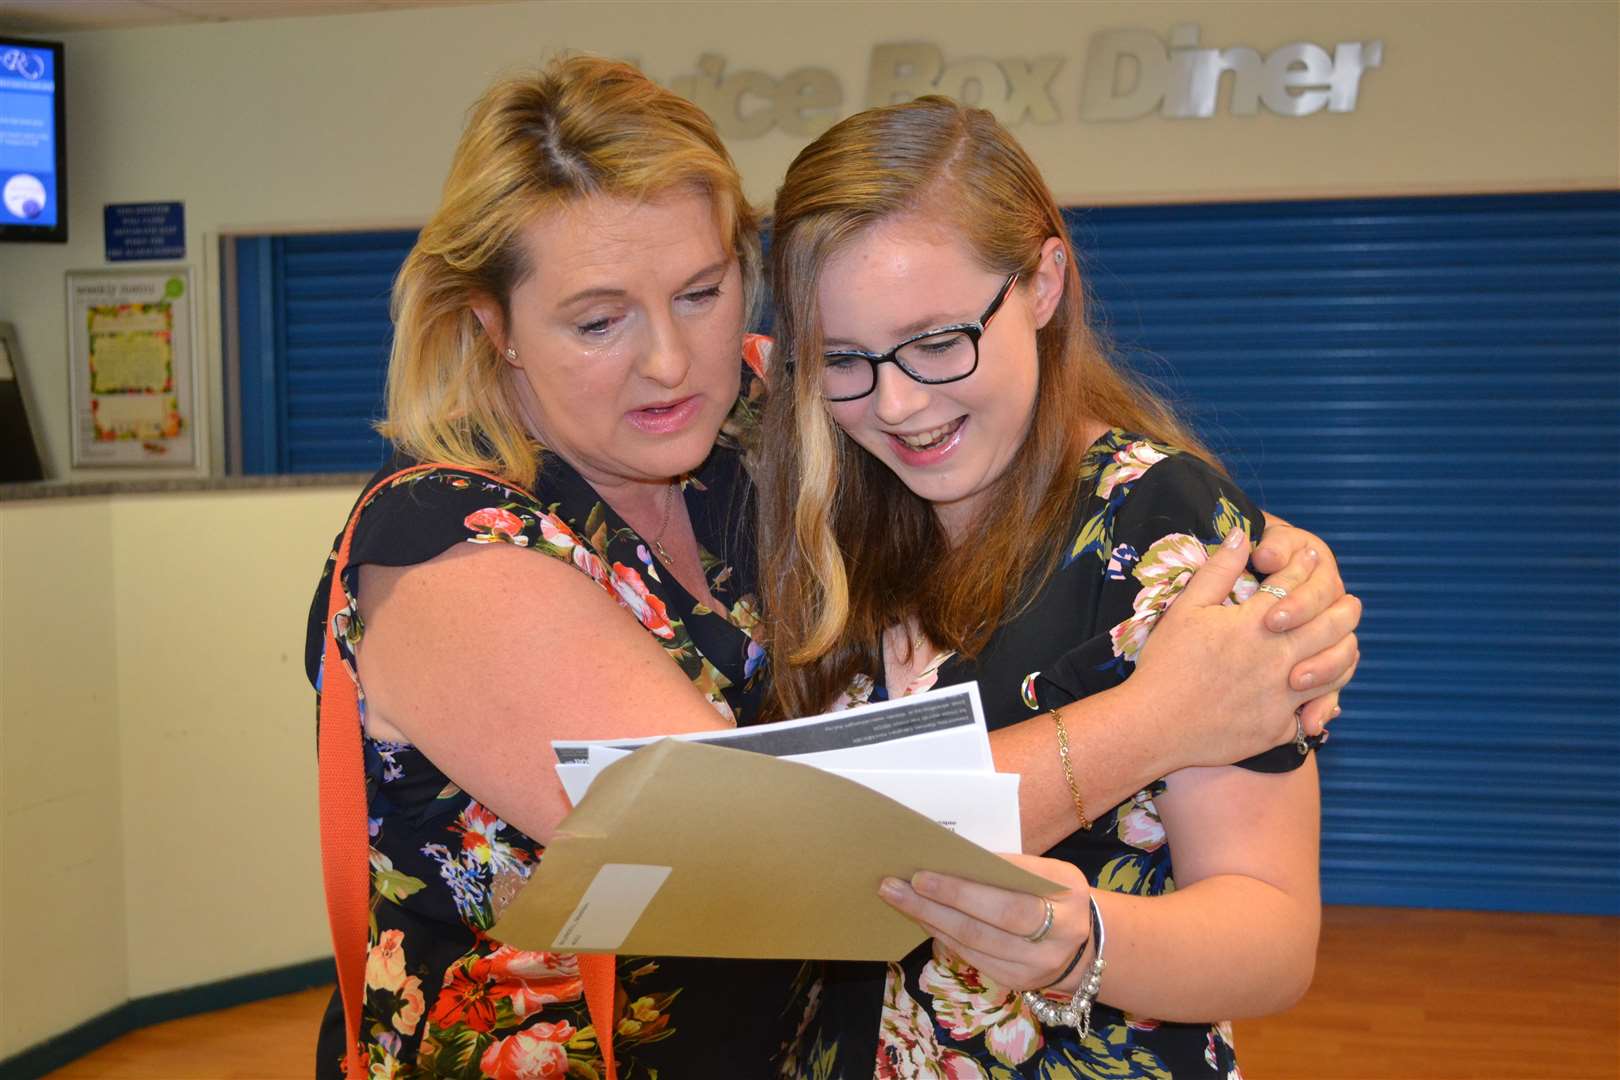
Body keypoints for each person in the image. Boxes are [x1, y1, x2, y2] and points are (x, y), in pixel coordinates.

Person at [304, 59, 1359, 1077]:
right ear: (496, 327)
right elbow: (748, 859)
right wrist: (1163, 716)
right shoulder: (447, 548)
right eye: (598, 320)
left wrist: (1245, 543)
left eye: (703, 292)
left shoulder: (771, 424)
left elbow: (1010, 428)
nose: (669, 360)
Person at [759, 96, 1357, 1078]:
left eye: (938, 341)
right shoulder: (814, 502)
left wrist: (1086, 941)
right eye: (844, 360)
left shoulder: (1164, 528)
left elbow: (1274, 931)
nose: (898, 403)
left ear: (1043, 281)